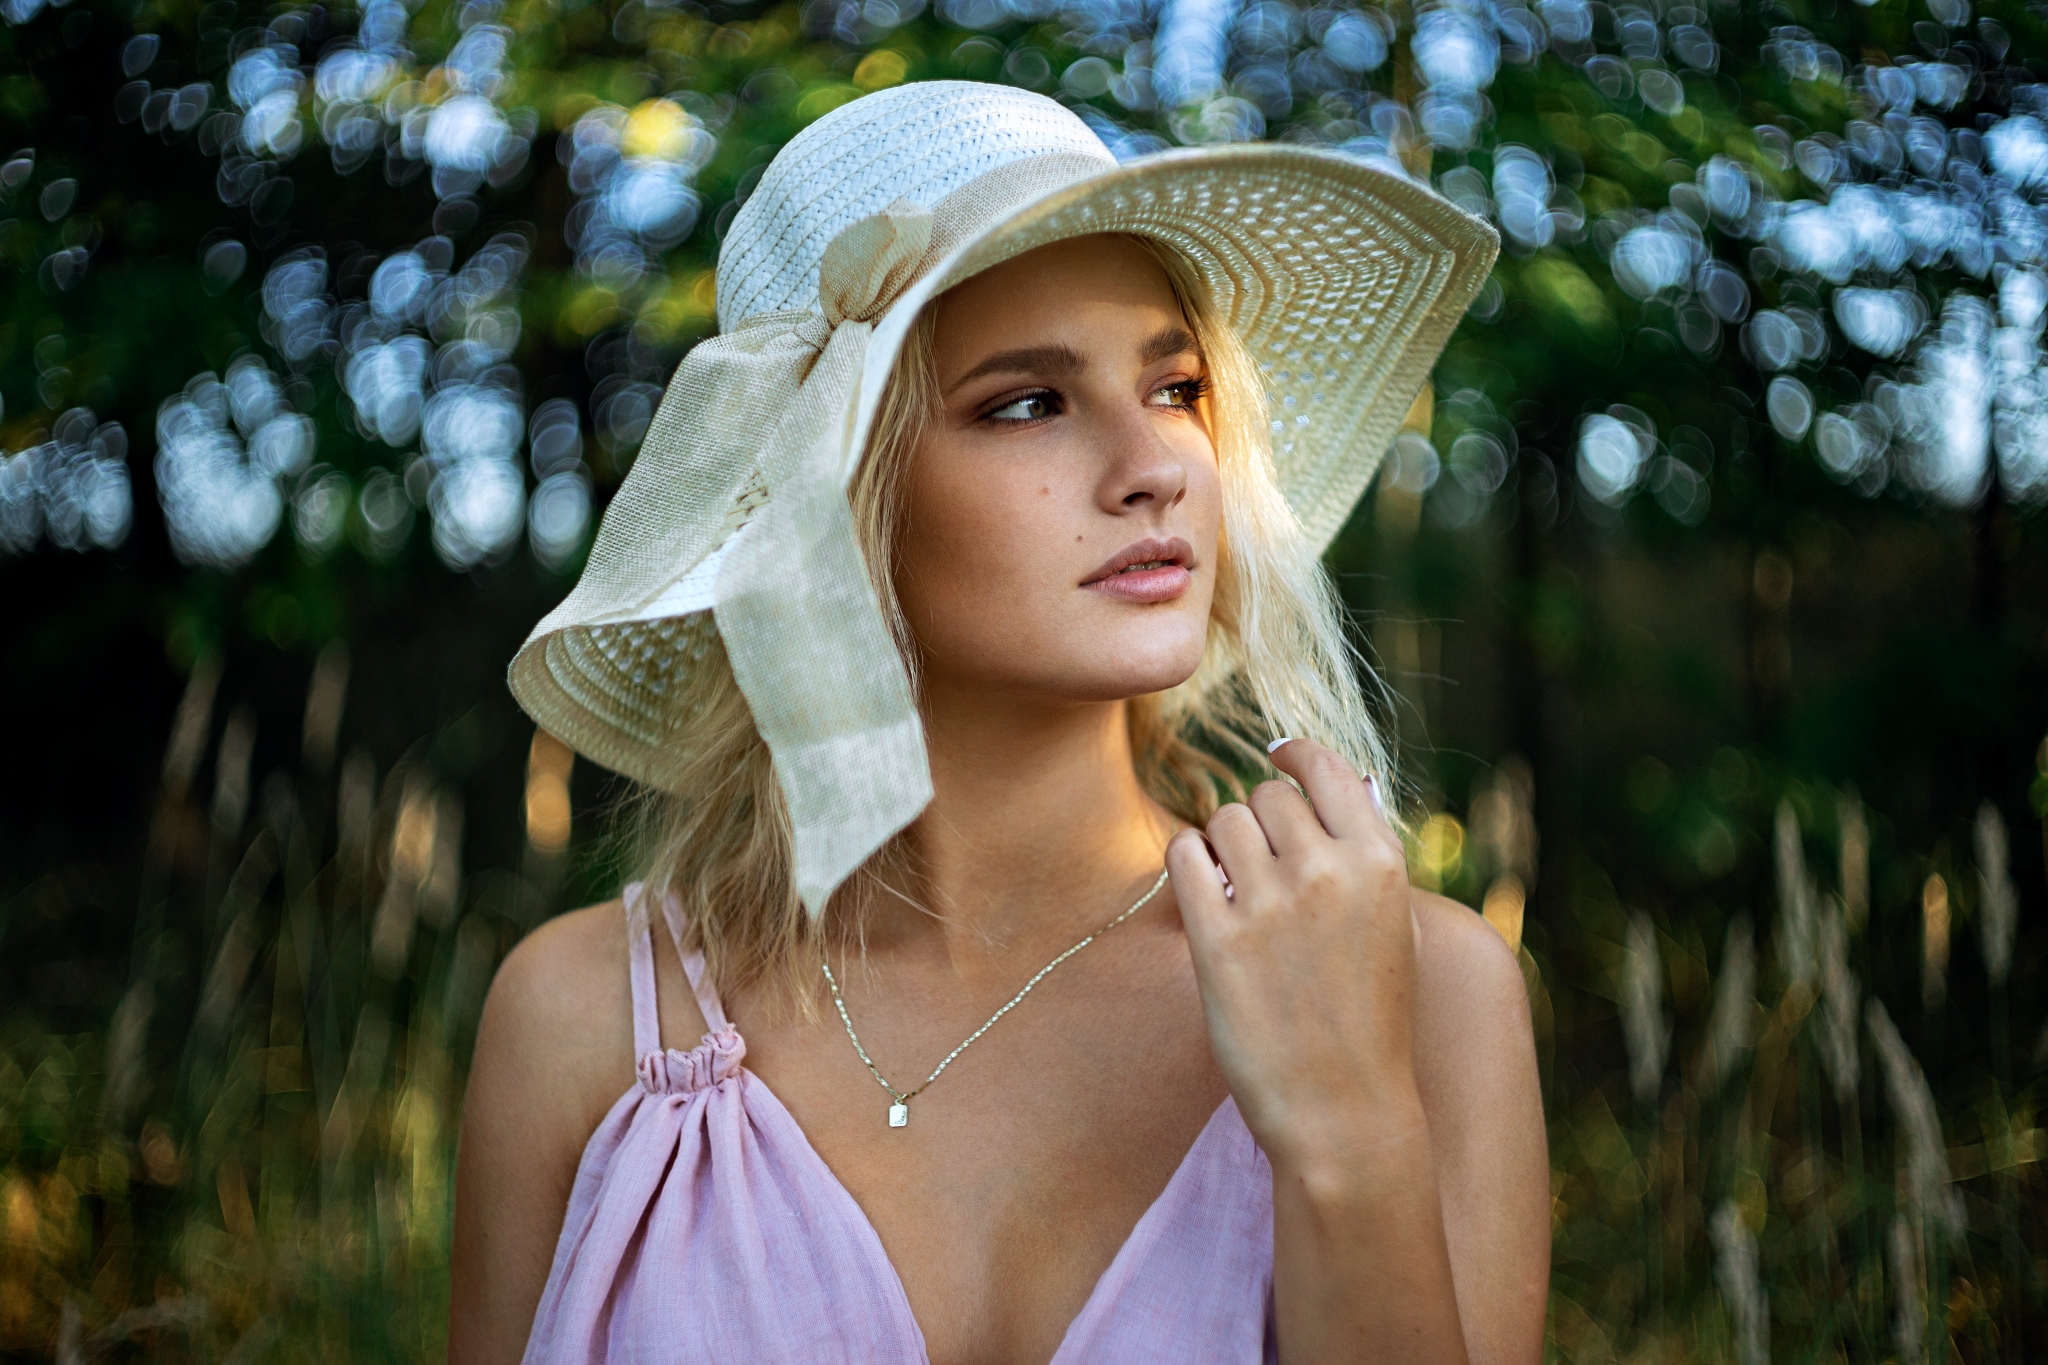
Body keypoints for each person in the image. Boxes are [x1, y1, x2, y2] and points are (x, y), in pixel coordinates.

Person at [451, 80, 1548, 1364]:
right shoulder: (579, 1021)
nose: (1154, 466)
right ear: (828, 506)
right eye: (1026, 402)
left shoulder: (1421, 992)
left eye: (1176, 386)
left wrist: (1348, 1131)